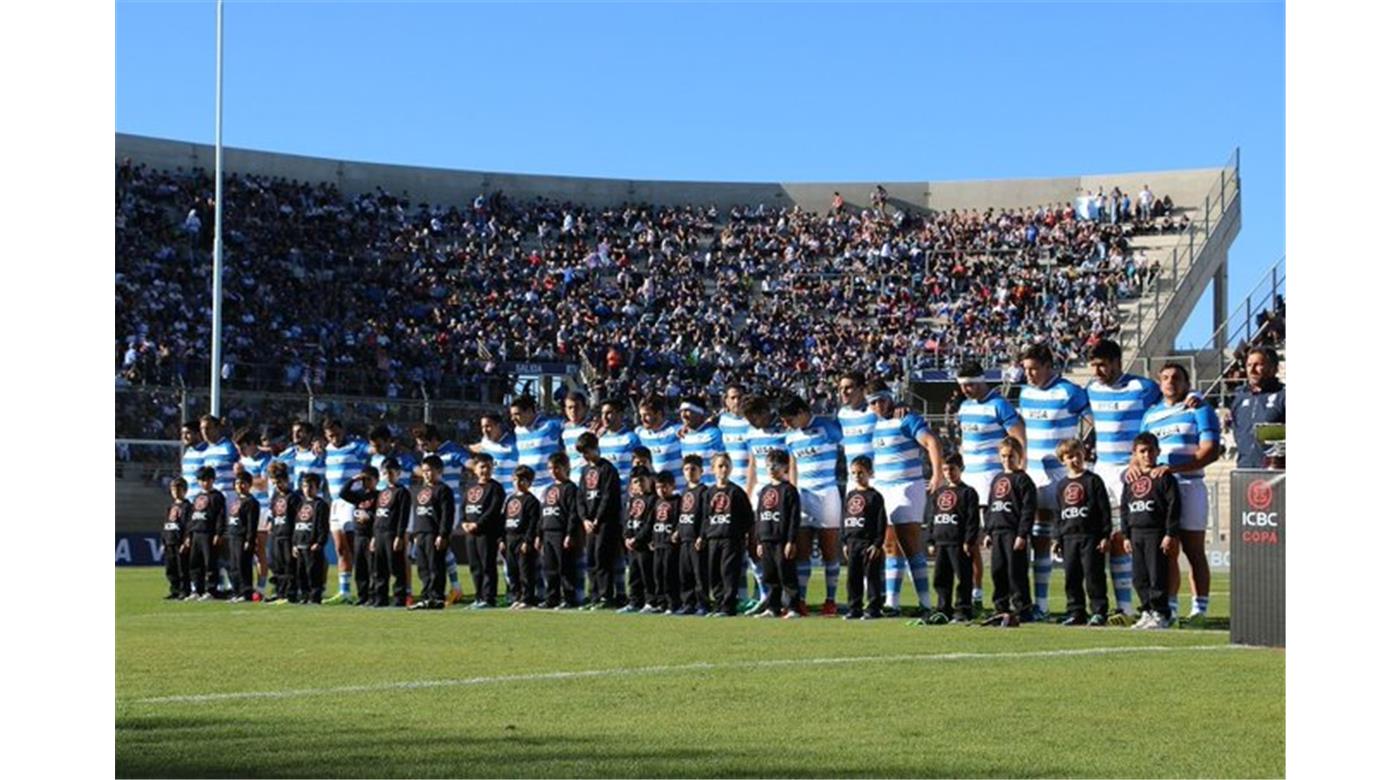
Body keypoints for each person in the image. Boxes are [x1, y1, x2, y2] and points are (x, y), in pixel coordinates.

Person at [1084, 339, 1165, 623]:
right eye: (1093, 365)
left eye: (1102, 364)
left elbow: (1169, 400)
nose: (1097, 370)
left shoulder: (1142, 388)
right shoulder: (1091, 390)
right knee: (1105, 538)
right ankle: (1122, 607)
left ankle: (1135, 606)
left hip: (1130, 472)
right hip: (1101, 470)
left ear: (1118, 362)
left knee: (1126, 539)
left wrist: (1193, 398)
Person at [1136, 362, 1222, 626]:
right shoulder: (1150, 414)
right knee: (1167, 550)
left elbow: (1210, 451)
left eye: (1176, 377)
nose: (1170, 382)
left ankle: (1200, 609)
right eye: (1165, 378)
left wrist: (1173, 468)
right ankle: (1169, 607)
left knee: (1194, 550)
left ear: (1186, 383)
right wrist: (1133, 469)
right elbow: (1139, 449)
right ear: (1159, 383)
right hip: (1159, 492)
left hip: (1189, 485)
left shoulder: (1199, 409)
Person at [1017, 343, 1092, 621]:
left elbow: (1094, 420)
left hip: (1062, 477)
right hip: (1033, 476)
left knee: (1070, 539)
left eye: (1034, 369)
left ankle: (1085, 605)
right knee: (1038, 538)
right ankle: (1042, 604)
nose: (1029, 374)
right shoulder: (1025, 393)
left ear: (1049, 366)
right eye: (1026, 369)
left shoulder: (1069, 392)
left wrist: (1082, 451)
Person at [954, 362, 1025, 612]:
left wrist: (1017, 473)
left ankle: (1010, 598)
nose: (966, 390)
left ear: (983, 381)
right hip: (969, 482)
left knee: (996, 543)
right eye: (962, 386)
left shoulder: (999, 405)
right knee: (968, 541)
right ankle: (975, 593)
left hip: (993, 482)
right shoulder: (964, 407)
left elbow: (1018, 438)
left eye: (971, 384)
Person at [868, 379, 943, 619]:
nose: (877, 406)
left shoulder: (906, 418)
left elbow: (931, 441)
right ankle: (893, 602)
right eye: (872, 402)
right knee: (889, 545)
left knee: (910, 545)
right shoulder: (876, 424)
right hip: (883, 487)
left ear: (889, 398)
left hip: (906, 486)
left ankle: (925, 602)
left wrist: (937, 474)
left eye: (880, 400)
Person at [776, 394, 844, 617]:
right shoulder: (791, 438)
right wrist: (792, 493)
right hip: (803, 497)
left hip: (826, 493)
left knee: (829, 551)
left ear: (802, 412)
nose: (786, 424)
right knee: (801, 552)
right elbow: (793, 466)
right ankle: (801, 601)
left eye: (788, 419)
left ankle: (830, 600)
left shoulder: (828, 428)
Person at [1120, 433, 1180, 630]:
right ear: (1135, 454)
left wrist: (1170, 533)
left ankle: (1161, 613)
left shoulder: (1164, 476)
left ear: (1158, 452)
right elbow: (1124, 507)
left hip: (1156, 532)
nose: (1147, 455)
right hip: (1136, 533)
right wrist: (1126, 535)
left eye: (1150, 451)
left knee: (1157, 576)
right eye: (1142, 451)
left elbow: (1173, 506)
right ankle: (1146, 611)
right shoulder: (1131, 478)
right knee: (1139, 577)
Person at [1052, 439, 1112, 626]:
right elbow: (1058, 514)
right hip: (1069, 537)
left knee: (1093, 575)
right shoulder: (1061, 485)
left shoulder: (1093, 481)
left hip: (1090, 536)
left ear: (1083, 455)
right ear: (1063, 460)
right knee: (1072, 576)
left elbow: (1104, 510)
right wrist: (1057, 538)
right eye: (1069, 457)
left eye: (1077, 455)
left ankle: (1099, 611)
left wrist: (1105, 535)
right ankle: (1076, 611)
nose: (1074, 460)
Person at [980, 438, 1037, 627]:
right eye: (1003, 456)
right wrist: (988, 531)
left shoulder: (1023, 480)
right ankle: (1000, 608)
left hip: (1014, 533)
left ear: (1019, 456)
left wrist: (1022, 534)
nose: (1007, 460)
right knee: (998, 571)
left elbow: (1028, 510)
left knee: (1016, 572)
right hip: (997, 532)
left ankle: (1023, 608)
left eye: (1011, 456)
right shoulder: (997, 479)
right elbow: (990, 506)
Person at [412, 423, 469, 604]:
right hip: (430, 506)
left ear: (435, 440)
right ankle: (454, 588)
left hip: (449, 504)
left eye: (425, 444)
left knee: (440, 546)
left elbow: (469, 463)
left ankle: (453, 588)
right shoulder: (429, 455)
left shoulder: (452, 450)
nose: (423, 448)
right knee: (435, 550)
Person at [741, 395, 789, 612]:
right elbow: (752, 466)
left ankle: (785, 596)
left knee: (779, 547)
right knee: (754, 546)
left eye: (753, 417)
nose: (750, 422)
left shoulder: (783, 431)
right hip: (758, 498)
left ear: (764, 412)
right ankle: (765, 594)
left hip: (779, 496)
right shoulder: (751, 434)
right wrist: (747, 494)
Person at [922, 454, 980, 624]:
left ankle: (963, 610)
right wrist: (931, 540)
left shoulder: (968, 493)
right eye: (945, 469)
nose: (948, 473)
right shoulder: (939, 493)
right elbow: (932, 517)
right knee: (941, 578)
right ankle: (943, 609)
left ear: (961, 469)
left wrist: (968, 541)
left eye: (952, 469)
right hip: (941, 542)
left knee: (963, 577)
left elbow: (972, 519)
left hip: (959, 543)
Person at [699, 452, 754, 617]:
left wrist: (739, 533)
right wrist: (702, 536)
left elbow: (748, 517)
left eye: (726, 466)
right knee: (714, 573)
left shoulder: (736, 492)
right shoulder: (708, 493)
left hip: (731, 539)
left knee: (728, 573)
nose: (723, 469)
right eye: (720, 466)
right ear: (713, 469)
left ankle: (728, 607)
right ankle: (718, 604)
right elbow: (704, 517)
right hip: (713, 539)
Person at [322, 419, 370, 605]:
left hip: (351, 502)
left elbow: (372, 451)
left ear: (343, 430)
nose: (334, 438)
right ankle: (345, 591)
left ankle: (366, 589)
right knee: (340, 548)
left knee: (355, 548)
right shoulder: (327, 448)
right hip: (335, 503)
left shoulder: (356, 446)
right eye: (330, 435)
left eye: (336, 434)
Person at [576, 431, 624, 609]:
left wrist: (597, 519)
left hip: (605, 523)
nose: (585, 456)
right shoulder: (585, 470)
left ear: (595, 448)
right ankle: (594, 594)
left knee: (602, 557)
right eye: (582, 453)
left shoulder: (608, 469)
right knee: (590, 559)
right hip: (588, 524)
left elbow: (608, 497)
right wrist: (584, 519)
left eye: (587, 451)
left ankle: (606, 595)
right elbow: (580, 496)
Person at [753, 449, 802, 619]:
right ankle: (773, 607)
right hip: (766, 539)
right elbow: (759, 516)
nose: (772, 468)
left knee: (786, 574)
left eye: (776, 465)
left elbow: (794, 517)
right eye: (768, 465)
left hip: (782, 540)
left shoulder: (789, 490)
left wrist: (791, 540)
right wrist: (758, 541)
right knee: (770, 575)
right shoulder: (764, 490)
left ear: (785, 467)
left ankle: (794, 607)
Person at [840, 456, 887, 620]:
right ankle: (854, 608)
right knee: (853, 577)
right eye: (853, 473)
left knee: (872, 577)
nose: (857, 476)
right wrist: (844, 541)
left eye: (861, 472)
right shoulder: (849, 496)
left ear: (870, 473)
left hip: (868, 543)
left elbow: (881, 522)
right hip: (852, 543)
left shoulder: (875, 496)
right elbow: (844, 518)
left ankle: (874, 608)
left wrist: (877, 544)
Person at [407, 455, 455, 610]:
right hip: (420, 533)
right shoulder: (418, 490)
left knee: (435, 566)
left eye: (430, 470)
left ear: (439, 470)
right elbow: (416, 513)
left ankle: (437, 597)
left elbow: (447, 515)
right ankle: (426, 596)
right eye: (425, 470)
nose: (427, 474)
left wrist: (443, 534)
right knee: (423, 567)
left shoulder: (443, 490)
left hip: (434, 534)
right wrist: (414, 534)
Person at [1229, 346, 1286, 469]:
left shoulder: (1283, 396)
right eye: (1249, 365)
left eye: (1258, 365)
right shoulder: (1240, 398)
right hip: (1245, 470)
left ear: (1274, 368)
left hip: (1277, 474)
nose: (1252, 370)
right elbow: (1238, 433)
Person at [462, 454, 507, 610]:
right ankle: (478, 597)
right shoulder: (470, 486)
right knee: (475, 566)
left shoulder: (496, 488)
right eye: (482, 466)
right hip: (471, 533)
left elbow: (493, 510)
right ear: (475, 469)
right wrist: (464, 522)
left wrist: (478, 524)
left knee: (487, 565)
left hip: (487, 533)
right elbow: (464, 505)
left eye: (488, 466)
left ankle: (489, 598)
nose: (485, 470)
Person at [367, 457, 411, 607]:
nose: (388, 475)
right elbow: (377, 515)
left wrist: (399, 536)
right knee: (379, 568)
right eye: (385, 473)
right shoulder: (381, 492)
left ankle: (399, 598)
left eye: (391, 472)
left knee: (396, 567)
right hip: (379, 533)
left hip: (392, 534)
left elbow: (403, 516)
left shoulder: (402, 492)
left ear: (398, 473)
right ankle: (380, 598)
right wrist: (373, 536)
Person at [235, 428, 273, 599]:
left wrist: (245, 478)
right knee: (242, 548)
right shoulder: (242, 459)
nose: (241, 451)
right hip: (244, 507)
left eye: (243, 447)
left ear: (252, 444)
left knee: (259, 548)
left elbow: (265, 483)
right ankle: (243, 585)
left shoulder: (265, 459)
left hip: (263, 507)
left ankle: (261, 587)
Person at [337, 465, 383, 606]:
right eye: (363, 480)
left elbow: (381, 516)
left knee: (373, 568)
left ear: (377, 480)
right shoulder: (359, 495)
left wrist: (369, 517)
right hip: (358, 535)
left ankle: (374, 595)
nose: (365, 482)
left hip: (371, 535)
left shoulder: (379, 496)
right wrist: (354, 479)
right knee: (361, 568)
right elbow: (343, 493)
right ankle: (362, 596)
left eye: (369, 479)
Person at [674, 454, 710, 616]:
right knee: (684, 573)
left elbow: (706, 516)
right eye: (687, 469)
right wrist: (677, 530)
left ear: (701, 471)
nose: (690, 472)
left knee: (699, 574)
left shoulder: (704, 492)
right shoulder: (685, 492)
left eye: (693, 469)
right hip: (684, 539)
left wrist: (702, 535)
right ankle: (688, 603)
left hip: (697, 539)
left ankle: (703, 604)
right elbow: (681, 514)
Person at [510, 395, 564, 501]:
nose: (513, 419)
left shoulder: (550, 426)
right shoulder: (518, 430)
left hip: (548, 487)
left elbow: (573, 425)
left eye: (517, 414)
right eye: (512, 415)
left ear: (530, 411)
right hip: (527, 488)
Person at [620, 469, 659, 613]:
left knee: (647, 573)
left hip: (644, 545)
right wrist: (627, 537)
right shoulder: (632, 500)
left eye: (642, 480)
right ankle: (635, 601)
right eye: (636, 481)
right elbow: (627, 520)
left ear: (649, 480)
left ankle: (651, 601)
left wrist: (638, 538)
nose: (640, 484)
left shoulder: (653, 499)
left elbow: (650, 523)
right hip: (632, 544)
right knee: (634, 574)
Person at [503, 466, 542, 609]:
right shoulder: (510, 499)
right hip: (510, 538)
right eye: (515, 480)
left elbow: (533, 523)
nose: (518, 483)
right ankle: (516, 596)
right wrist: (502, 540)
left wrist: (528, 541)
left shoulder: (531, 501)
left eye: (522, 480)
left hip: (522, 539)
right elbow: (504, 519)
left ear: (529, 482)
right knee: (512, 571)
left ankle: (527, 598)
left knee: (525, 570)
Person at [185, 467, 226, 600]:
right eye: (201, 480)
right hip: (196, 533)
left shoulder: (217, 496)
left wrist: (218, 533)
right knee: (195, 563)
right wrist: (188, 535)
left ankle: (211, 590)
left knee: (210, 563)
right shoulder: (197, 497)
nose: (204, 483)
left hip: (209, 533)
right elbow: (192, 517)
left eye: (207, 480)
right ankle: (197, 590)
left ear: (212, 480)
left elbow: (220, 516)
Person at [263, 462, 302, 604]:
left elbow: (297, 519)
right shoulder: (275, 496)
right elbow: (273, 513)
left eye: (279, 482)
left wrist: (295, 541)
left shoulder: (293, 497)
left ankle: (291, 593)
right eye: (275, 483)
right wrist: (270, 523)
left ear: (286, 480)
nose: (277, 485)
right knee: (275, 564)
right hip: (275, 534)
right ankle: (279, 592)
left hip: (288, 535)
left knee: (289, 565)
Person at [291, 472, 331, 604]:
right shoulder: (300, 504)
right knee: (301, 573)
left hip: (312, 545)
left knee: (314, 572)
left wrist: (319, 542)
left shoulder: (320, 505)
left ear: (317, 488)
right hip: (300, 543)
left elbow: (323, 525)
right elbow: (296, 524)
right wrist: (294, 544)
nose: (307, 490)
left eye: (310, 487)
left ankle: (315, 596)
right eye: (304, 486)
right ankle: (304, 595)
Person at [226, 471, 261, 602]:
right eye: (237, 483)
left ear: (249, 485)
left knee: (243, 565)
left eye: (242, 483)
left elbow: (252, 523)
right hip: (233, 536)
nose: (239, 486)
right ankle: (236, 591)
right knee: (234, 565)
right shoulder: (236, 501)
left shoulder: (251, 502)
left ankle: (245, 592)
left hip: (243, 537)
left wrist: (249, 539)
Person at [652, 471, 682, 614]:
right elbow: (653, 522)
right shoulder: (657, 502)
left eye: (664, 487)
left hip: (671, 545)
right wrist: (652, 538)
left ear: (672, 486)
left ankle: (673, 603)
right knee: (658, 574)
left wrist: (677, 532)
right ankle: (661, 602)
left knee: (669, 574)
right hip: (658, 544)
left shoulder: (678, 502)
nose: (661, 490)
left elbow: (681, 520)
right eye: (658, 487)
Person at [636, 395, 683, 484]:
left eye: (646, 415)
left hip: (678, 491)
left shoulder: (677, 431)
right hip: (656, 493)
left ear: (659, 414)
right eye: (641, 415)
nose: (642, 419)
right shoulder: (640, 433)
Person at [677, 396, 722, 487]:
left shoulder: (714, 434)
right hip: (693, 492)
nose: (683, 415)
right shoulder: (682, 436)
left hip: (711, 489)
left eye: (687, 410)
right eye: (681, 411)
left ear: (699, 413)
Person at [162, 479, 192, 600]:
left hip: (180, 541)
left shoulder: (188, 506)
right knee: (171, 568)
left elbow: (189, 525)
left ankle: (185, 590)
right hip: (170, 540)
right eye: (173, 489)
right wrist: (164, 538)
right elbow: (166, 523)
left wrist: (186, 540)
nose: (176, 492)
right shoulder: (171, 507)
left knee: (182, 568)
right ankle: (174, 590)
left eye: (178, 489)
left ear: (185, 490)